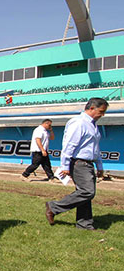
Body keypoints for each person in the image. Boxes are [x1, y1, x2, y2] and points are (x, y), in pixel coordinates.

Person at [45, 98, 109, 230]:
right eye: (101, 112)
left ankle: (84, 224)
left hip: (88, 163)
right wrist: (65, 166)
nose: (102, 115)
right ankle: (54, 207)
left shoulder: (93, 125)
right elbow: (69, 145)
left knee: (84, 194)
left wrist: (100, 166)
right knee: (87, 192)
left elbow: (95, 148)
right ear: (91, 108)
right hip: (79, 163)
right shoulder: (78, 123)